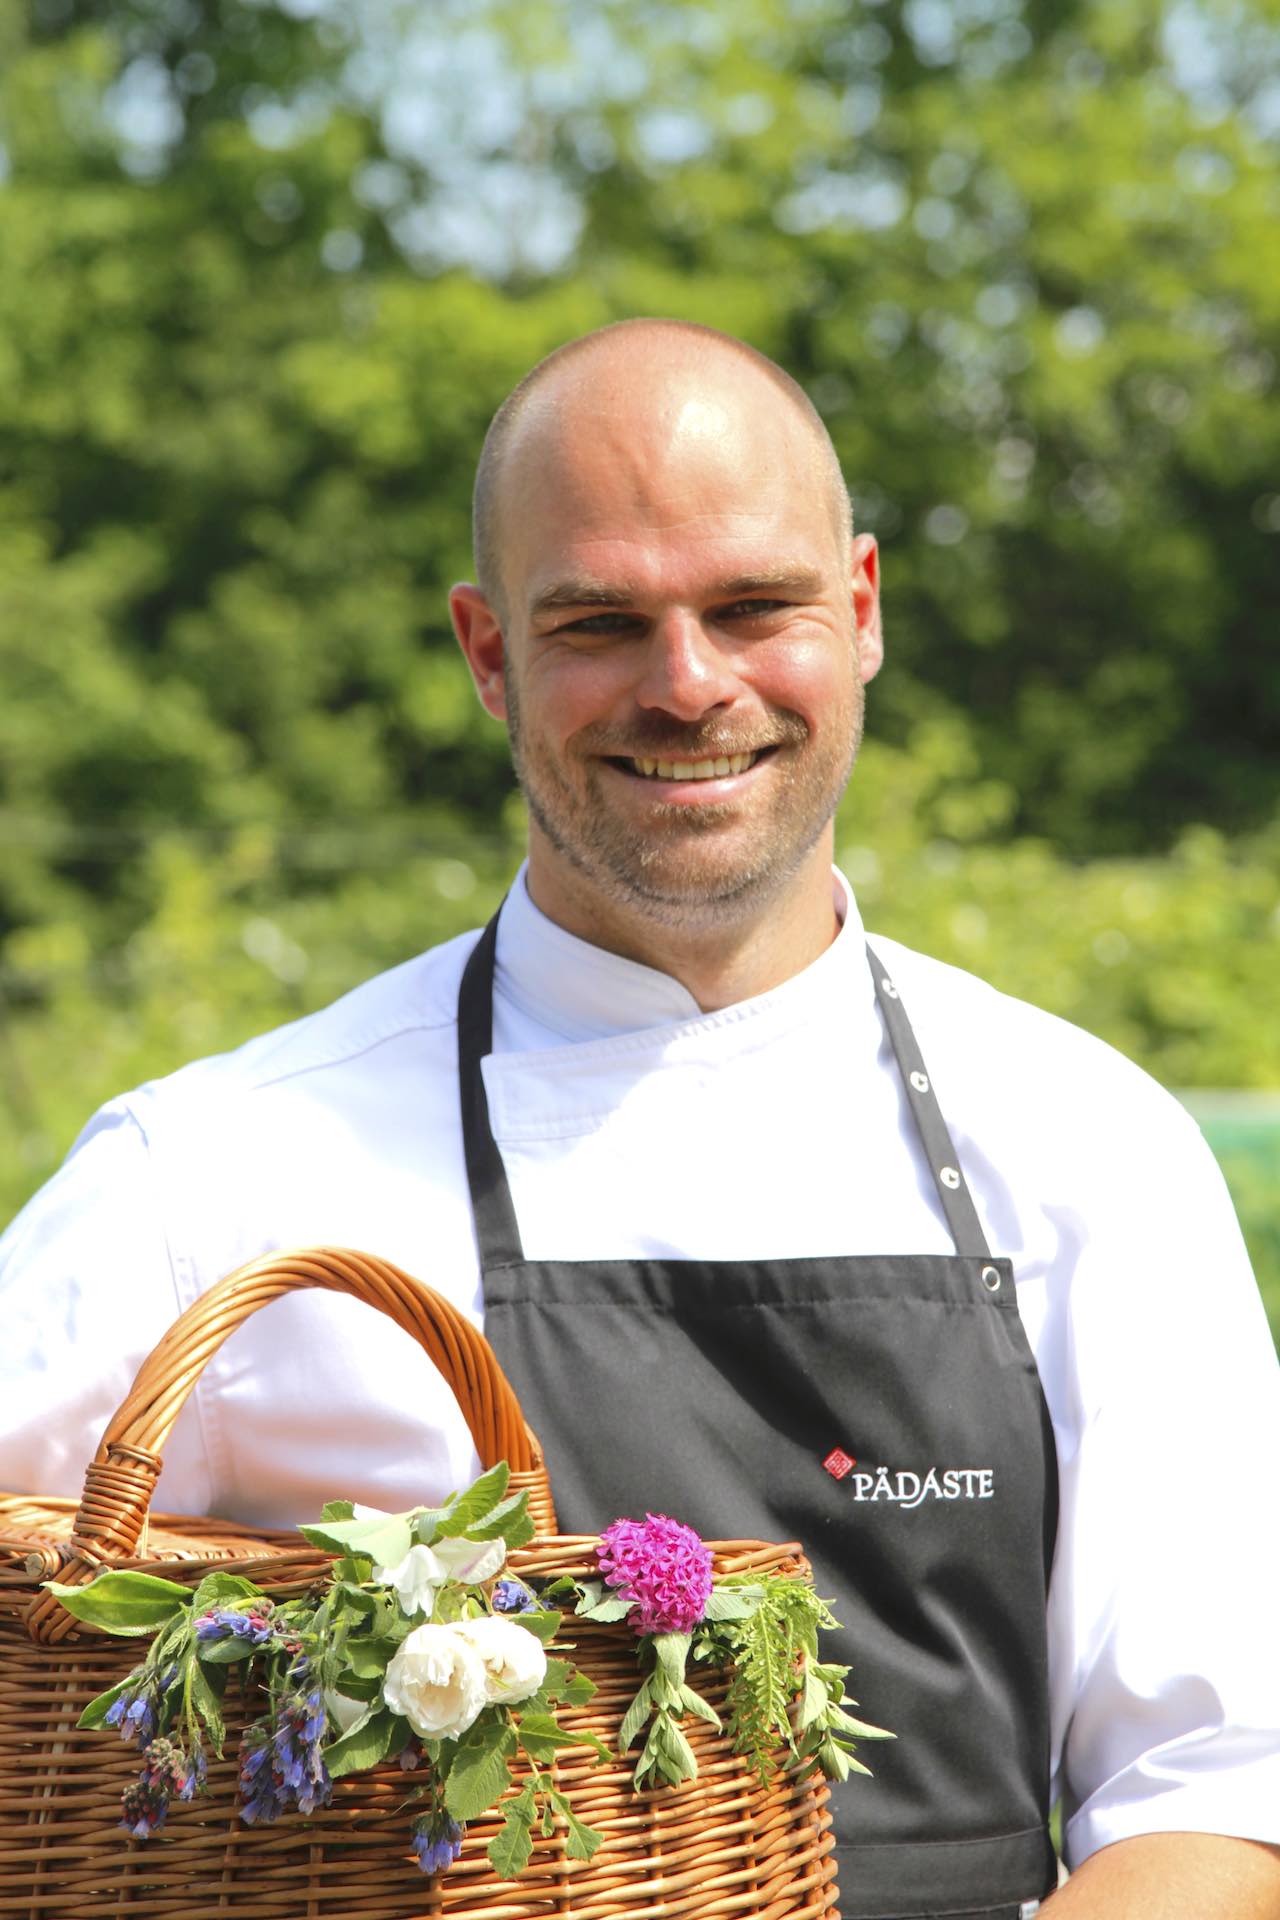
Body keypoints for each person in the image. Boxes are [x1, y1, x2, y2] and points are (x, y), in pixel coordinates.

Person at [1, 319, 1277, 1918]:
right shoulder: (214, 1175)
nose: (690, 686)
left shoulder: (1094, 1147)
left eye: (755, 607)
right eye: (601, 621)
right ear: (488, 654)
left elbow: (1213, 1794)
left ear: (861, 611)